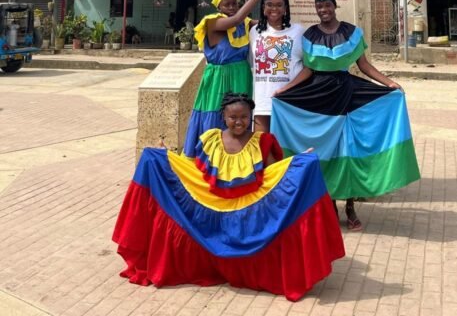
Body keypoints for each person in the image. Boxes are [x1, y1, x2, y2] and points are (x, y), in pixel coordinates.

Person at [113, 92, 345, 301]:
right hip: (210, 206)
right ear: (223, 116)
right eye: (233, 117)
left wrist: (299, 164)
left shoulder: (262, 141)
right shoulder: (210, 138)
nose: (238, 122)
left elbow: (276, 175)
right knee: (152, 159)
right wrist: (165, 157)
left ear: (250, 116)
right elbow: (192, 169)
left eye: (244, 117)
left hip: (250, 209)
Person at [271, 0, 420, 231]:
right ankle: (329, 204)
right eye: (319, 6)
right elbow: (308, 70)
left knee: (349, 151)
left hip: (347, 93)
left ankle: (350, 206)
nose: (323, 9)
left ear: (334, 5)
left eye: (327, 5)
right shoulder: (309, 36)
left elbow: (364, 66)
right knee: (323, 151)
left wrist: (389, 82)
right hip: (318, 95)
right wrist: (284, 91)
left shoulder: (351, 32)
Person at [182, 0, 275, 157]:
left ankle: (238, 156)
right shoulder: (213, 22)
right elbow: (236, 19)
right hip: (219, 77)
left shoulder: (244, 24)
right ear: (218, 7)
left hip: (240, 75)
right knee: (217, 113)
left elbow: (268, 24)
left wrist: (274, 4)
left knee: (240, 116)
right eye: (227, 4)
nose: (232, 8)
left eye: (235, 4)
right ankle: (210, 157)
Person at [249, 0, 304, 132]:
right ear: (263, 7)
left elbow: (309, 68)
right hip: (262, 102)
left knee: (285, 149)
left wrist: (287, 88)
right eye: (269, 4)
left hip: (288, 100)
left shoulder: (298, 31)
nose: (274, 8)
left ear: (286, 8)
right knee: (262, 147)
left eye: (279, 5)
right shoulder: (254, 31)